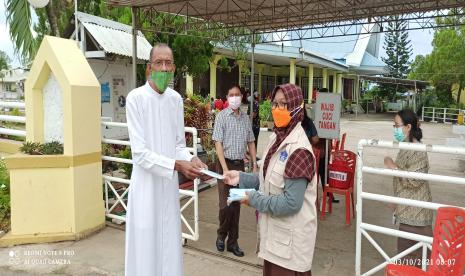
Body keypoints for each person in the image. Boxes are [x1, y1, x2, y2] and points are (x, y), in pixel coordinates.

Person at [125, 43, 207, 276]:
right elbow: (139, 153)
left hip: (167, 189)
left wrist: (191, 159)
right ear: (149, 68)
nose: (163, 67)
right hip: (146, 189)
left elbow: (178, 145)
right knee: (145, 248)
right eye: (158, 63)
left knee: (169, 246)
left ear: (174, 69)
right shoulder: (136, 99)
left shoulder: (175, 100)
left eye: (168, 63)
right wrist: (176, 165)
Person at [223, 83, 317, 275]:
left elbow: (291, 203)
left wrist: (252, 199)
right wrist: (241, 177)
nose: (277, 109)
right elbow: (266, 178)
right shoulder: (277, 138)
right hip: (275, 243)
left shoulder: (299, 150)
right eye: (274, 104)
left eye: (284, 104)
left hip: (290, 250)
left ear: (297, 107)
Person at [212, 85, 257, 257]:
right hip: (224, 165)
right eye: (231, 95)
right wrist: (224, 169)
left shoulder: (245, 118)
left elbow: (251, 142)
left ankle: (233, 242)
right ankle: (221, 235)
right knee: (225, 205)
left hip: (239, 166)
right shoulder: (221, 117)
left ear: (242, 97)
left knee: (236, 206)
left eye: (237, 94)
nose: (234, 97)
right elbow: (218, 143)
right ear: (226, 97)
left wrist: (254, 164)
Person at [384, 109, 432, 267]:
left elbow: (414, 180)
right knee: (404, 258)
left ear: (408, 127)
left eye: (397, 125)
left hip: (417, 215)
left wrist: (393, 166)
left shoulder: (418, 150)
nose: (395, 129)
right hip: (405, 211)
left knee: (419, 260)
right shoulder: (405, 145)